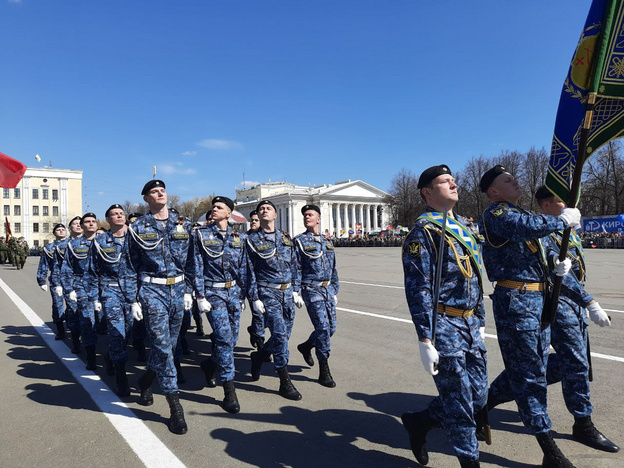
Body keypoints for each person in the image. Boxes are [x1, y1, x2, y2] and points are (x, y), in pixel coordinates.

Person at [482, 186, 619, 454]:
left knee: (571, 363)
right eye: (561, 202)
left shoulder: (566, 231)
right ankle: (491, 399)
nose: (570, 206)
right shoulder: (542, 229)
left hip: (570, 304)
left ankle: (582, 422)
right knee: (546, 365)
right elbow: (548, 269)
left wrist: (586, 301)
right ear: (546, 206)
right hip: (550, 302)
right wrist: (588, 300)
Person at [479, 165, 581, 468]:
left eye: (514, 178)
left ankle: (474, 407)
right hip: (517, 302)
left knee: (535, 368)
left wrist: (558, 264)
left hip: (537, 300)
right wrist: (559, 220)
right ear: (494, 192)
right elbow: (522, 227)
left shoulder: (525, 216)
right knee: (530, 376)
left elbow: (542, 247)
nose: (515, 181)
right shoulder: (497, 214)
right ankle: (549, 450)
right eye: (507, 181)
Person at [400, 165, 487, 468]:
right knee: (461, 405)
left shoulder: (462, 226)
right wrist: (425, 337)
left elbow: (474, 278)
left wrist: (481, 320)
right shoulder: (423, 231)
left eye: (453, 180)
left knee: (478, 396)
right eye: (444, 181)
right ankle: (469, 462)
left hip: (470, 323)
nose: (453, 183)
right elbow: (418, 288)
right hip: (444, 324)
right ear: (427, 192)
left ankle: (420, 422)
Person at [123, 179, 192, 435]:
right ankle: (176, 408)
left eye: (162, 189)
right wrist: (132, 299)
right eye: (154, 191)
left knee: (169, 345)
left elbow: (193, 260)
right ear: (146, 199)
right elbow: (128, 266)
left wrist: (191, 290)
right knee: (163, 347)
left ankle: (146, 379)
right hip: (152, 290)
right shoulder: (138, 227)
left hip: (179, 289)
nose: (160, 192)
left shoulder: (183, 223)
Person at [189, 196, 248, 413]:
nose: (214, 209)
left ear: (229, 213)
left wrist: (242, 296)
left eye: (219, 207)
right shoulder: (201, 235)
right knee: (223, 338)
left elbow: (243, 268)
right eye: (213, 207)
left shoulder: (238, 237)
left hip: (233, 292)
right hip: (213, 293)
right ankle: (229, 391)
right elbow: (195, 266)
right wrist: (200, 296)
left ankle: (209, 364)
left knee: (231, 340)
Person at [246, 199, 302, 400]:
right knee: (279, 335)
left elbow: (295, 265)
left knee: (284, 335)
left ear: (275, 215)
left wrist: (296, 290)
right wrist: (254, 297)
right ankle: (284, 381)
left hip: (287, 293)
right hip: (267, 292)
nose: (264, 211)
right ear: (258, 215)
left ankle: (259, 356)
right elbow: (249, 271)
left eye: (268, 208)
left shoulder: (286, 238)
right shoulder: (251, 240)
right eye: (261, 209)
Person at [91, 204, 141, 397]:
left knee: (127, 331)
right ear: (108, 219)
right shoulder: (100, 241)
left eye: (121, 213)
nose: (119, 216)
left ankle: (111, 355)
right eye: (114, 214)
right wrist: (95, 297)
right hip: (110, 291)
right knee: (116, 331)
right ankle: (122, 379)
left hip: (134, 292)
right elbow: (93, 269)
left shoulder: (136, 238)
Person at [293, 204, 340, 388]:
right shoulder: (299, 241)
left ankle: (306, 346)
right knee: (322, 328)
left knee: (331, 329)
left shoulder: (327, 241)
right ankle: (324, 370)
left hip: (327, 290)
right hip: (311, 290)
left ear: (319, 218)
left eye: (310, 214)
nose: (307, 217)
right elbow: (295, 267)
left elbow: (333, 267)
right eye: (305, 215)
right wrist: (296, 291)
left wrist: (335, 288)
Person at [60, 213, 100, 370]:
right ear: (82, 226)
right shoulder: (74, 245)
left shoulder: (106, 241)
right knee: (87, 321)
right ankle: (91, 357)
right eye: (87, 222)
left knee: (108, 323)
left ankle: (112, 358)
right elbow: (66, 268)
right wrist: (69, 289)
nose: (91, 224)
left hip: (105, 287)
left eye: (93, 221)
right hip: (83, 287)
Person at [56, 217, 84, 352]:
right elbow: (59, 266)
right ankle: (75, 341)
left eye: (80, 223)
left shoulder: (93, 242)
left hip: (89, 284)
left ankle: (88, 341)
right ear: (70, 228)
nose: (78, 225)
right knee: (73, 312)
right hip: (71, 283)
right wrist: (61, 284)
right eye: (75, 224)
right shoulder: (63, 246)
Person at [36, 223, 67, 340]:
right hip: (56, 281)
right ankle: (60, 330)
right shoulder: (49, 248)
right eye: (58, 230)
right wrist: (41, 280)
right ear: (54, 233)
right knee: (57, 305)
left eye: (63, 229)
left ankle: (74, 331)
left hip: (72, 281)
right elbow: (43, 264)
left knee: (73, 306)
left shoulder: (72, 244)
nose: (61, 231)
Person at [246, 210, 266, 349]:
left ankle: (254, 330)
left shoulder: (266, 238)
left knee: (265, 313)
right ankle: (261, 345)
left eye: (256, 220)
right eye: (252, 220)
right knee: (258, 313)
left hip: (264, 281)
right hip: (249, 281)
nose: (253, 222)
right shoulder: (243, 238)